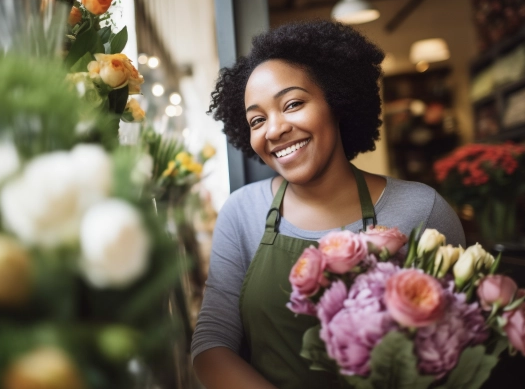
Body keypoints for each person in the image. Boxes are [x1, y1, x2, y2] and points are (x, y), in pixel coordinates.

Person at [191, 20, 465, 389]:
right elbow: (211, 345)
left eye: (293, 104)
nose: (273, 130)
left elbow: (461, 348)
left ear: (336, 101)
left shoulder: (423, 210)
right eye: (257, 120)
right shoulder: (242, 212)